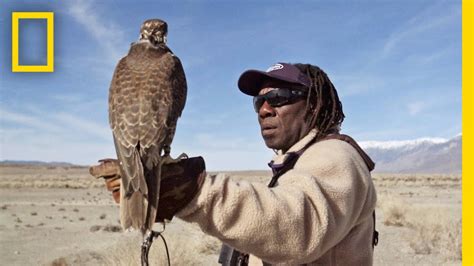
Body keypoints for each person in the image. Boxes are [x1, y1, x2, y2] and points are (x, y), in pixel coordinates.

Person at [90, 62, 378, 265]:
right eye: (258, 102)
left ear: (313, 104)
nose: (264, 110)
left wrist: (195, 191)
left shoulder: (337, 157)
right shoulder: (296, 162)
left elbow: (298, 226)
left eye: (278, 98)